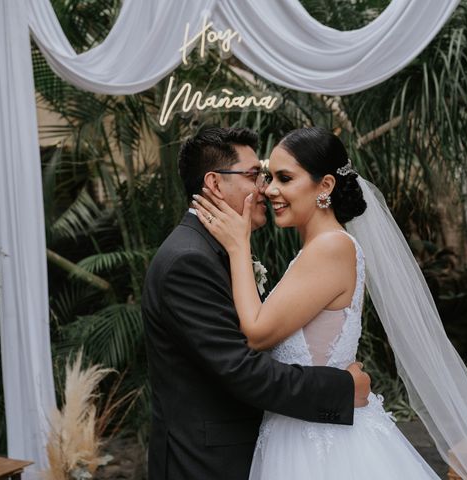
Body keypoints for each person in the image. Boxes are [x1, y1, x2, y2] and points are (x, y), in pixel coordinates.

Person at [193, 127, 467, 480]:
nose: (269, 189)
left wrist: (238, 246)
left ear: (324, 186)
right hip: (305, 425)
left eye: (285, 178)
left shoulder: (331, 248)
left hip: (321, 443)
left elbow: (257, 334)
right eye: (268, 177)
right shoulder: (319, 249)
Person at [141, 127, 371, 480]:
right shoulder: (188, 260)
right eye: (256, 175)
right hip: (205, 464)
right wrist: (340, 388)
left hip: (288, 448)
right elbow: (242, 369)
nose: (265, 188)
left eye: (277, 177)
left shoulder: (212, 248)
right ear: (215, 184)